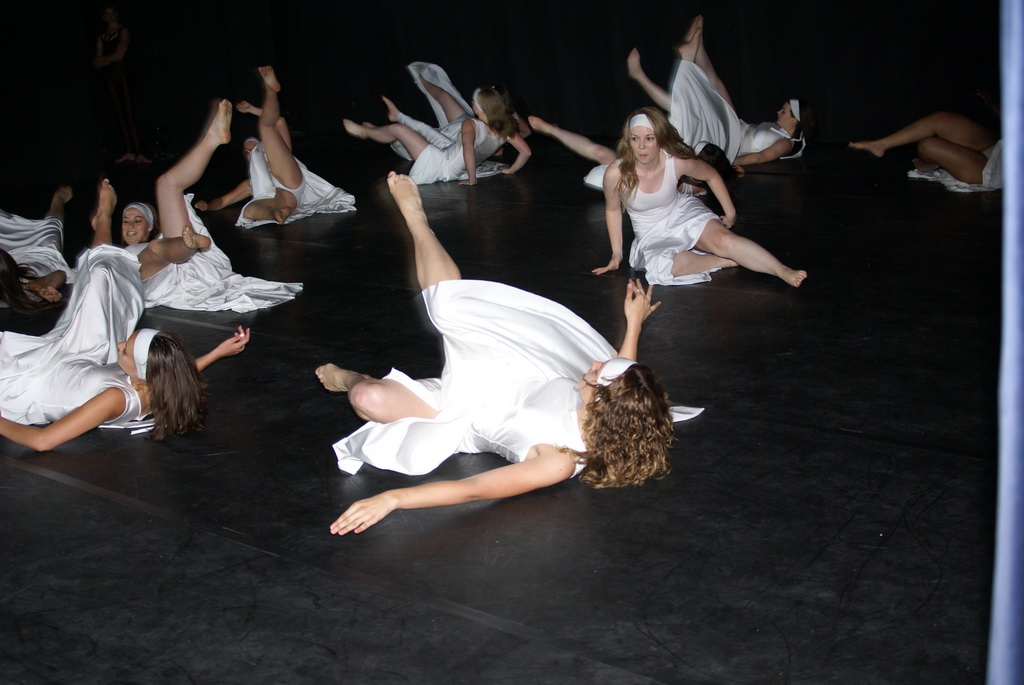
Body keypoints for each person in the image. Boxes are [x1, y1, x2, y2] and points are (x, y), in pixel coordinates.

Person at [319, 172, 701, 536]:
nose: (596, 362)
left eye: (599, 372)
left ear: (602, 401)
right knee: (448, 307)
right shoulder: (611, 396)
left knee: (366, 397)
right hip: (508, 365)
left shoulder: (561, 459)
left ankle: (350, 377)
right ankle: (417, 219)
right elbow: (623, 373)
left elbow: (474, 489)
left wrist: (392, 499)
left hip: (462, 413)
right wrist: (633, 324)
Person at [0, 180, 250, 452]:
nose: (120, 344)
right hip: (72, 360)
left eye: (126, 350)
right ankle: (104, 230)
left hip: (28, 382)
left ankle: (103, 227)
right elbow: (177, 372)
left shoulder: (115, 398)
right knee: (100, 283)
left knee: (98, 283)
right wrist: (218, 352)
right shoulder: (154, 383)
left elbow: (41, 441)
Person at [92, 100, 303, 313]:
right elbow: (94, 275)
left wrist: (103, 217)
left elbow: (97, 263)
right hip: (157, 276)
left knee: (166, 185)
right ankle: (187, 245)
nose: (130, 226)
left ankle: (212, 139)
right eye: (125, 221)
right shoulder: (120, 254)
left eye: (138, 221)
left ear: (149, 227)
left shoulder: (143, 245)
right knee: (145, 253)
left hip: (181, 266)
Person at [594, 108, 806, 287]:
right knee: (663, 266)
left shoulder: (675, 162)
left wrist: (730, 213)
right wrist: (616, 254)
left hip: (682, 213)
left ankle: (782, 270)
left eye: (649, 138)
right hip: (650, 234)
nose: (641, 146)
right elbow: (612, 210)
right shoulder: (616, 173)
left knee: (723, 240)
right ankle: (719, 261)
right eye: (635, 138)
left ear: (660, 138)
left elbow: (711, 174)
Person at [628, 15, 816, 172]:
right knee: (716, 86)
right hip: (736, 127)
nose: (778, 112)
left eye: (784, 111)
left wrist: (728, 163)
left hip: (729, 142)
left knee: (684, 108)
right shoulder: (774, 128)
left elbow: (760, 157)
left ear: (795, 120)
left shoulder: (785, 143)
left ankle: (648, 73)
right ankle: (697, 47)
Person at [195, 66, 356, 227]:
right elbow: (223, 201)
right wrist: (208, 206)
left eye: (255, 147)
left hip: (289, 180)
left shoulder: (277, 154)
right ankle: (276, 214)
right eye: (248, 150)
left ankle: (270, 90)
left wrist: (252, 109)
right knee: (248, 211)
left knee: (266, 127)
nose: (252, 151)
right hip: (287, 200)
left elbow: (279, 121)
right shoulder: (250, 184)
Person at [342, 62, 531, 185]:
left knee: (398, 129)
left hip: (439, 164)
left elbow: (467, 150)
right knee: (414, 130)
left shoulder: (471, 124)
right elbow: (526, 152)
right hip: (452, 164)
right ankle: (390, 120)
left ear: (482, 108)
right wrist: (511, 170)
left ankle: (365, 132)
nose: (471, 102)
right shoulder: (506, 129)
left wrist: (472, 180)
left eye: (474, 102)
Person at [848, 99, 1001, 189]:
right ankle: (880, 145)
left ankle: (931, 163)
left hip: (1002, 170)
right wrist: (992, 104)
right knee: (941, 119)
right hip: (1002, 145)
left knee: (928, 145)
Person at [0, 185, 75, 312]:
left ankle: (58, 199)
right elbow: (60, 273)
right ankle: (58, 199)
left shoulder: (24, 288)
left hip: (14, 257)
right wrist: (50, 287)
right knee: (51, 227)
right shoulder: (29, 289)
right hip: (42, 253)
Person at [93, 4, 151, 164]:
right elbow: (96, 62)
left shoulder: (123, 31)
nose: (110, 16)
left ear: (116, 15)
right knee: (119, 114)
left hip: (122, 75)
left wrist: (104, 59)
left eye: (112, 13)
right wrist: (109, 58)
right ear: (103, 17)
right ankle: (129, 150)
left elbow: (120, 56)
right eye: (107, 14)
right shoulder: (102, 36)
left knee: (129, 113)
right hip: (109, 77)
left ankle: (139, 151)